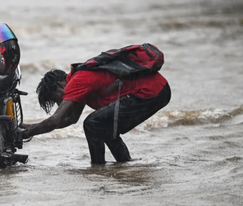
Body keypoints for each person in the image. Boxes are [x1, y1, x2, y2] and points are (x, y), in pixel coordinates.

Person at [20, 64, 171, 165]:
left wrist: (26, 133)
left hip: (151, 91)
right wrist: (28, 127)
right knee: (102, 125)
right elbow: (71, 119)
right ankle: (124, 164)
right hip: (159, 90)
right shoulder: (78, 82)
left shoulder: (76, 82)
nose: (61, 103)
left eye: (56, 99)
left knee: (92, 124)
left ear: (60, 85)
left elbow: (55, 120)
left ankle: (98, 167)